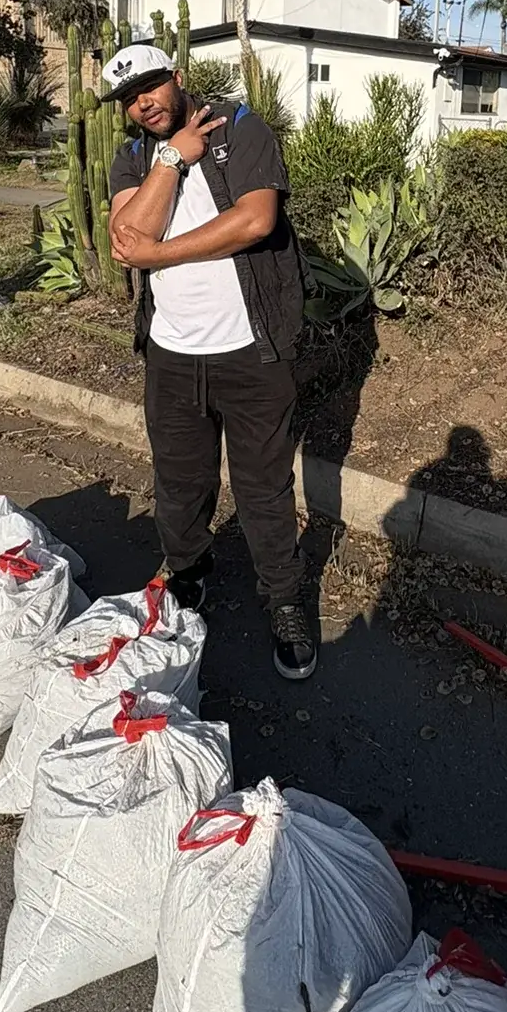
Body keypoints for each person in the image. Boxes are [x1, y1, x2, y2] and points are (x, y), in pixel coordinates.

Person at [104, 42, 316, 679]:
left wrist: (158, 255)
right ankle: (189, 571)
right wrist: (172, 159)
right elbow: (127, 236)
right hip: (172, 354)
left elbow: (255, 220)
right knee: (179, 482)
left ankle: (284, 599)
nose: (143, 104)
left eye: (150, 86)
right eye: (129, 98)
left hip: (251, 351)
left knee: (263, 489)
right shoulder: (134, 157)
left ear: (177, 76)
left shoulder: (239, 127)